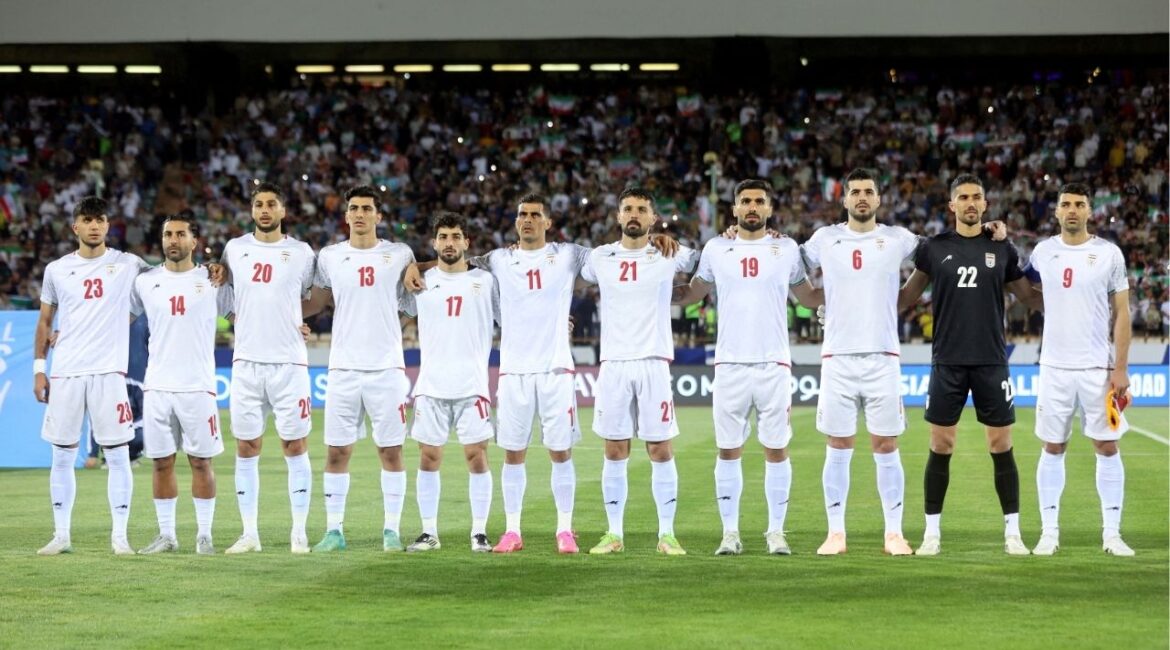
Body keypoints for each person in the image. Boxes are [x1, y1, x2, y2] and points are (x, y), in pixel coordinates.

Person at [674, 179, 822, 555]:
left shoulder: (785, 248)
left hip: (774, 363)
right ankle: (730, 533)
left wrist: (848, 296)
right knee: (728, 450)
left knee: (776, 450)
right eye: (745, 202)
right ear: (735, 209)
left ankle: (775, 532)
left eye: (759, 201)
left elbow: (806, 297)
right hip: (729, 365)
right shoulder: (716, 248)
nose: (752, 207)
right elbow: (692, 293)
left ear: (769, 209)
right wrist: (647, 283)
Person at [899, 173, 1042, 556]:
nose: (970, 203)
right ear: (951, 205)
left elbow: (1029, 297)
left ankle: (1013, 532)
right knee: (940, 445)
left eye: (977, 196)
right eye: (963, 197)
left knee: (1001, 445)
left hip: (992, 360)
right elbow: (906, 298)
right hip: (947, 360)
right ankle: (932, 534)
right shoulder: (933, 248)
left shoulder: (1004, 249)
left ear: (985, 203)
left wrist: (1074, 298)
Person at [800, 168, 921, 556]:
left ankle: (894, 533)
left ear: (879, 198)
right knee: (838, 444)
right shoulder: (825, 239)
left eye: (869, 191)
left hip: (883, 356)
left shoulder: (897, 238)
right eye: (856, 192)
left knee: (886, 443)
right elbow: (785, 263)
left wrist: (904, 297)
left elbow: (940, 256)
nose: (862, 198)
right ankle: (836, 533)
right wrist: (817, 302)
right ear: (845, 199)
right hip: (837, 356)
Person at [580, 187, 699, 555]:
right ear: (618, 216)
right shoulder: (599, 257)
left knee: (660, 448)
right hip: (614, 363)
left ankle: (667, 535)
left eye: (642, 209)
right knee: (614, 449)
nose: (634, 214)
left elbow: (711, 263)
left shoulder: (669, 253)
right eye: (628, 209)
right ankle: (614, 534)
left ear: (653, 217)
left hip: (653, 362)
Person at [34, 196, 151, 555]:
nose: (95, 226)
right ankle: (61, 535)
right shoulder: (56, 269)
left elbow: (164, 283)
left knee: (117, 454)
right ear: (76, 227)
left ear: (107, 224)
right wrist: (40, 369)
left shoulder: (128, 264)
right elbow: (44, 321)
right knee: (63, 455)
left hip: (108, 373)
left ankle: (119, 537)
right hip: (67, 371)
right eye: (87, 220)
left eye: (100, 219)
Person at [302, 186, 416, 553]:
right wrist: (285, 318)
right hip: (344, 369)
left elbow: (416, 299)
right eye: (354, 208)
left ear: (378, 216)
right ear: (346, 215)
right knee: (337, 452)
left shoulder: (399, 254)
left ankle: (392, 530)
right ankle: (334, 531)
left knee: (391, 452)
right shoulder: (331, 257)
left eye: (368, 208)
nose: (361, 214)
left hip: (386, 369)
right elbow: (316, 301)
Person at [1026, 183, 1134, 556]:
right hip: (1054, 366)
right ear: (1056, 212)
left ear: (1090, 211)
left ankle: (1112, 533)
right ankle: (1049, 533)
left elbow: (1122, 313)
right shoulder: (1042, 253)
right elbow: (1024, 290)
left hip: (1097, 368)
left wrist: (1120, 369)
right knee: (1052, 446)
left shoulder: (1108, 254)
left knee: (1106, 445)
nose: (1072, 210)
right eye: (1066, 204)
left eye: (1079, 204)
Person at [220, 182, 317, 554]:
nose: (264, 210)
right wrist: (241, 320)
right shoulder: (235, 249)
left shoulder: (301, 253)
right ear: (251, 211)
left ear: (283, 211)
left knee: (295, 444)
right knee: (246, 446)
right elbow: (225, 294)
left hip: (289, 362)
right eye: (259, 204)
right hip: (246, 363)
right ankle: (249, 533)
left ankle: (299, 531)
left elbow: (316, 294)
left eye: (271, 204)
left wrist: (298, 319)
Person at [131, 213, 233, 555]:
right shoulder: (145, 282)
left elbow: (242, 315)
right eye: (167, 234)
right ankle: (167, 535)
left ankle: (204, 534)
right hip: (157, 387)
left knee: (201, 461)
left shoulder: (212, 280)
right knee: (161, 462)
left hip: (198, 387)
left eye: (180, 234)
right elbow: (118, 318)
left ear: (194, 241)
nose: (172, 240)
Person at [404, 211, 498, 553]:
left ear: (466, 243)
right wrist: (413, 267)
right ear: (434, 243)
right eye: (443, 237)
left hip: (473, 385)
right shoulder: (420, 283)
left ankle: (479, 532)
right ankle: (429, 532)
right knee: (429, 457)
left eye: (456, 236)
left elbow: (512, 315)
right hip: (431, 384)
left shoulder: (486, 282)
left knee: (476, 456)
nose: (449, 242)